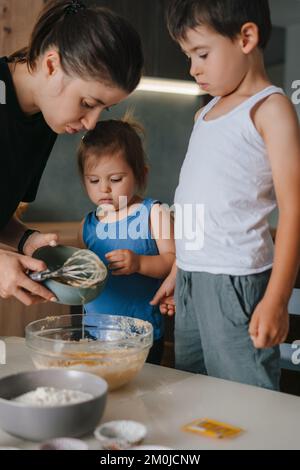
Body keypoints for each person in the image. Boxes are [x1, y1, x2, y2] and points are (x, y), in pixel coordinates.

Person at [151, 0, 300, 389]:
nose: (193, 68)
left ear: (246, 37)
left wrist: (277, 300)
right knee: (194, 390)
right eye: (188, 56)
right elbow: (199, 202)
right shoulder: (205, 113)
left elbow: (295, 209)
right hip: (192, 279)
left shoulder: (270, 109)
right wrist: (180, 267)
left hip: (236, 281)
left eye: (201, 54)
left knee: (243, 398)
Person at [0, 0, 143, 306]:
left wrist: (27, 240)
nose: (92, 123)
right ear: (52, 65)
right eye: (88, 103)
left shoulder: (44, 121)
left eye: (104, 109)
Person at [77, 116, 175, 364]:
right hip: (93, 332)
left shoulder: (153, 213)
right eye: (94, 180)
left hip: (141, 335)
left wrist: (140, 263)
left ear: (141, 174)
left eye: (116, 179)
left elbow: (173, 262)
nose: (104, 189)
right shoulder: (88, 224)